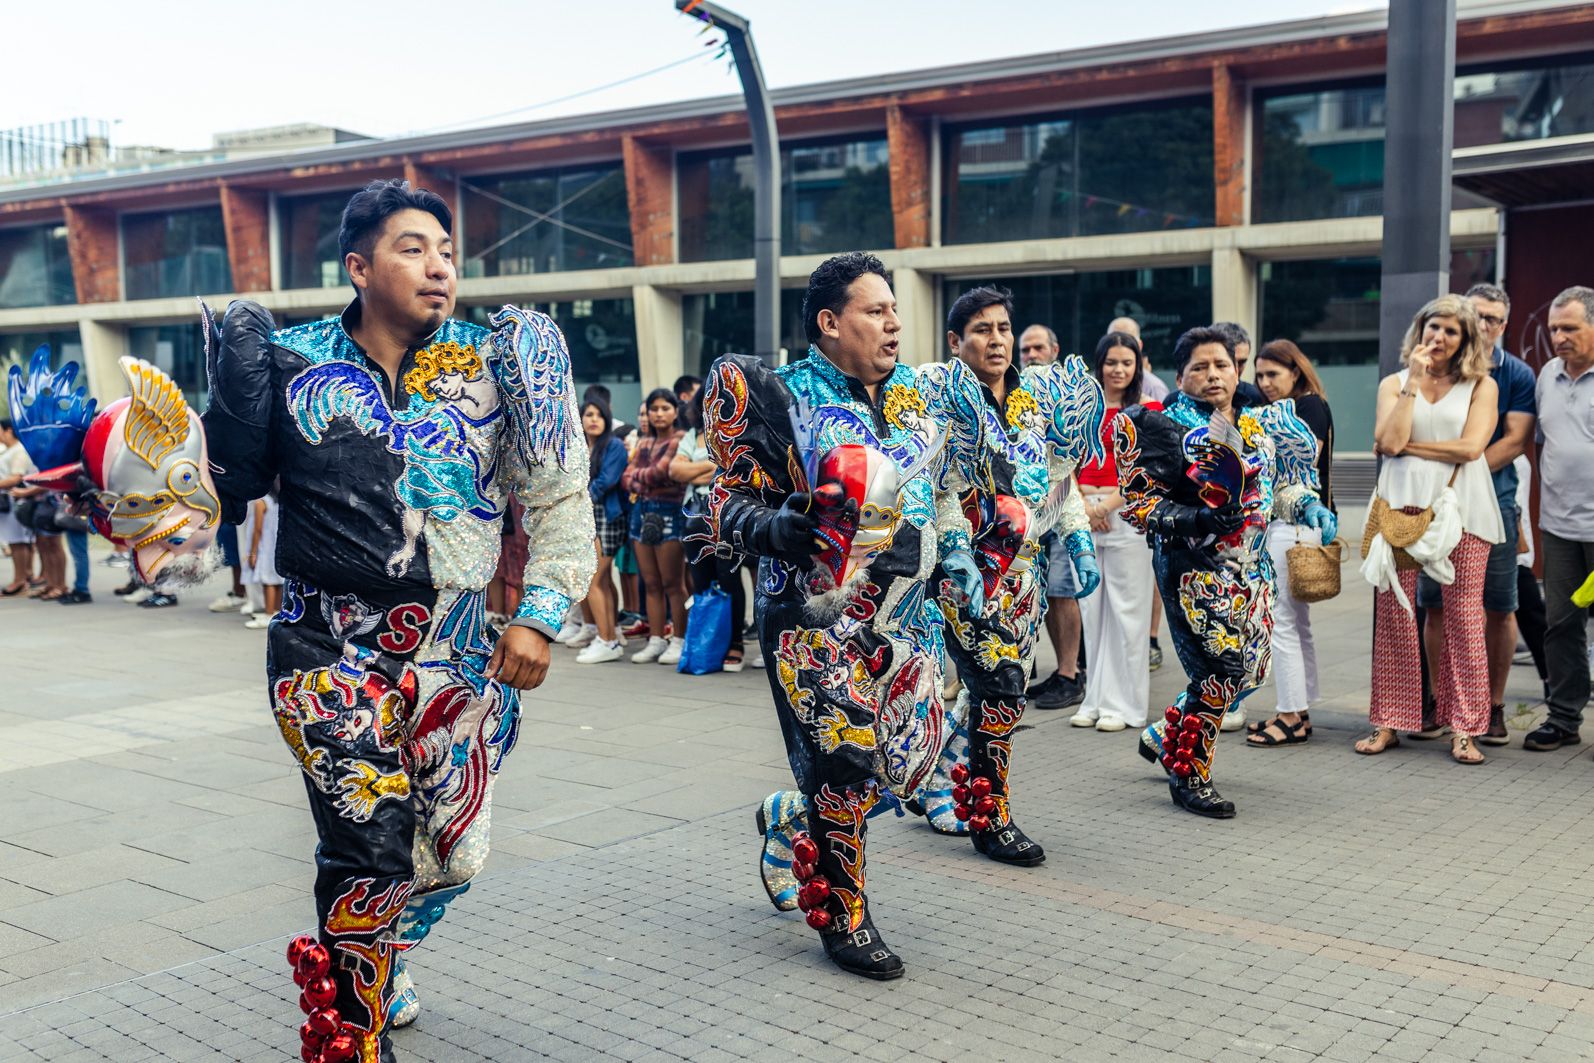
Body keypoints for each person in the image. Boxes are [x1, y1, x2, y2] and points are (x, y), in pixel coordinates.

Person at [197, 179, 594, 1060]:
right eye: (414, 248)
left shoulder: (502, 362)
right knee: (367, 843)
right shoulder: (292, 360)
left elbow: (560, 493)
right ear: (359, 266)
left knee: (453, 852)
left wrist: (539, 611)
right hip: (327, 645)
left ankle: (381, 948)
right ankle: (351, 1026)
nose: (439, 266)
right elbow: (225, 488)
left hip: (458, 650)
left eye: (447, 252)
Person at [708, 251, 986, 979]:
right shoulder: (782, 396)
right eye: (876, 310)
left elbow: (948, 492)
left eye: (896, 309)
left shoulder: (923, 403)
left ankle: (791, 818)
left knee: (905, 767)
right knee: (845, 760)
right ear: (830, 323)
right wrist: (780, 528)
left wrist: (956, 552)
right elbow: (714, 504)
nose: (894, 321)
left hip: (911, 615)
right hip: (815, 615)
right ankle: (844, 916)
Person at [912, 285, 1100, 835]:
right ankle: (987, 814)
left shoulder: (1038, 398)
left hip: (1027, 577)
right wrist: (954, 551)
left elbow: (1059, 483)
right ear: (956, 340)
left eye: (1003, 329)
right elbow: (936, 488)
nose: (997, 341)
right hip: (966, 574)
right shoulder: (938, 400)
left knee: (992, 689)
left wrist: (1079, 541)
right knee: (1001, 689)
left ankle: (940, 778)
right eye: (982, 331)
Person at [1124, 326, 1333, 816]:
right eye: (1200, 366)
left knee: (1251, 669)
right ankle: (1189, 774)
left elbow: (1276, 492)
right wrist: (1200, 517)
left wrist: (1306, 506)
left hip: (1254, 570)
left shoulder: (1259, 425)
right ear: (1180, 376)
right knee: (1219, 670)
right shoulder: (1160, 427)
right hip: (1192, 569)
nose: (1213, 374)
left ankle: (1166, 732)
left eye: (1221, 364)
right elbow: (1142, 508)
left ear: (1236, 369)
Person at [1359, 294, 1503, 765]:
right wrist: (1414, 384)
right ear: (1420, 332)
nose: (1438, 338)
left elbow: (1471, 447)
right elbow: (1388, 440)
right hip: (1399, 508)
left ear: (1465, 340)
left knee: (1463, 616)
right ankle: (1388, 723)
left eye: (1450, 331)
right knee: (1395, 613)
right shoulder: (1396, 382)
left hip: (1463, 509)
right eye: (1432, 328)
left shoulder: (1481, 385)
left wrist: (1408, 446)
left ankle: (1465, 729)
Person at [1411, 283, 1533, 746]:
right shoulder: (1428, 371)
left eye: (1493, 320)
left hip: (1492, 501)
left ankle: (1495, 706)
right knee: (1435, 603)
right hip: (1432, 503)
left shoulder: (1513, 374)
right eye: (1476, 316)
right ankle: (1442, 703)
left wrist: (1462, 469)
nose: (1484, 326)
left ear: (1503, 325)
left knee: (1499, 606)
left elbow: (1511, 440)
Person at [1246, 340, 1334, 747]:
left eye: (1273, 375)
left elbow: (1299, 465)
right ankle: (1299, 711)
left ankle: (1288, 715)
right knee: (1295, 622)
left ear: (1295, 372)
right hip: (1292, 522)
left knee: (1280, 620)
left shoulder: (1308, 406)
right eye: (1259, 375)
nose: (1264, 383)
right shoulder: (1295, 407)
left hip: (1295, 519)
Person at [1072, 331, 1158, 732]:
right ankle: (1096, 699)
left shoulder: (1149, 410)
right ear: (1100, 364)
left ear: (1138, 366)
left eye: (1127, 362)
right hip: (1084, 514)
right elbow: (1064, 462)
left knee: (1128, 612)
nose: (1119, 369)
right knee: (1093, 610)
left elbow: (1151, 471)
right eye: (1111, 362)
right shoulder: (1081, 410)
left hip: (1126, 515)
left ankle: (1127, 706)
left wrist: (1105, 506)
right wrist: (1085, 508)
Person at [1526, 286, 1594, 752]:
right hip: (1560, 527)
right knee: (1562, 624)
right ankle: (1565, 718)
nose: (1558, 337)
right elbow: (1540, 445)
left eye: (1570, 327)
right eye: (1554, 328)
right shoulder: (1547, 375)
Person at [672, 387, 746, 671]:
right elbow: (674, 471)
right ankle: (708, 642)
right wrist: (714, 467)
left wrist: (696, 467)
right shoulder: (693, 435)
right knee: (700, 581)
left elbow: (736, 468)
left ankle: (736, 643)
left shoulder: (737, 432)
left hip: (727, 515)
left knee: (728, 578)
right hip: (695, 517)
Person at [622, 388, 688, 665]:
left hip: (670, 512)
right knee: (650, 582)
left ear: (675, 411)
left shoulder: (679, 439)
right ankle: (656, 639)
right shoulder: (645, 441)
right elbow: (627, 478)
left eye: (664, 408)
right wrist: (644, 478)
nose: (659, 414)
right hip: (642, 512)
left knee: (673, 582)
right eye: (654, 409)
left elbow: (663, 470)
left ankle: (679, 640)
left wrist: (640, 477)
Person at [571, 397, 628, 664]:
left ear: (606, 419)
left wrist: (577, 501)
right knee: (601, 581)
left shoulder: (613, 445)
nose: (593, 419)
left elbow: (606, 481)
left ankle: (608, 641)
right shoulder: (580, 446)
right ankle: (608, 635)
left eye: (598, 415)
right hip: (587, 517)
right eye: (588, 414)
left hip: (607, 517)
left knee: (594, 580)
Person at [0, 419, 38, 597]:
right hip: (8, 500)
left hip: (15, 498)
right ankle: (22, 577)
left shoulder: (19, 450)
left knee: (18, 542)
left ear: (8, 430)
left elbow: (16, 477)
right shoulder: (8, 450)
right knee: (15, 542)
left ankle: (20, 580)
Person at [241, 493, 282, 630]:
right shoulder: (279, 500)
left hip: (265, 547)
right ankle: (277, 611)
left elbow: (257, 530)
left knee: (268, 581)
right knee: (278, 580)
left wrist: (252, 552)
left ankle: (268, 613)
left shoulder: (261, 502)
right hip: (278, 544)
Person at [1111, 315, 1168, 404]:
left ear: (1139, 346)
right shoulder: (1093, 387)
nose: (1118, 370)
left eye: (1126, 363)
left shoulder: (1153, 387)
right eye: (1112, 342)